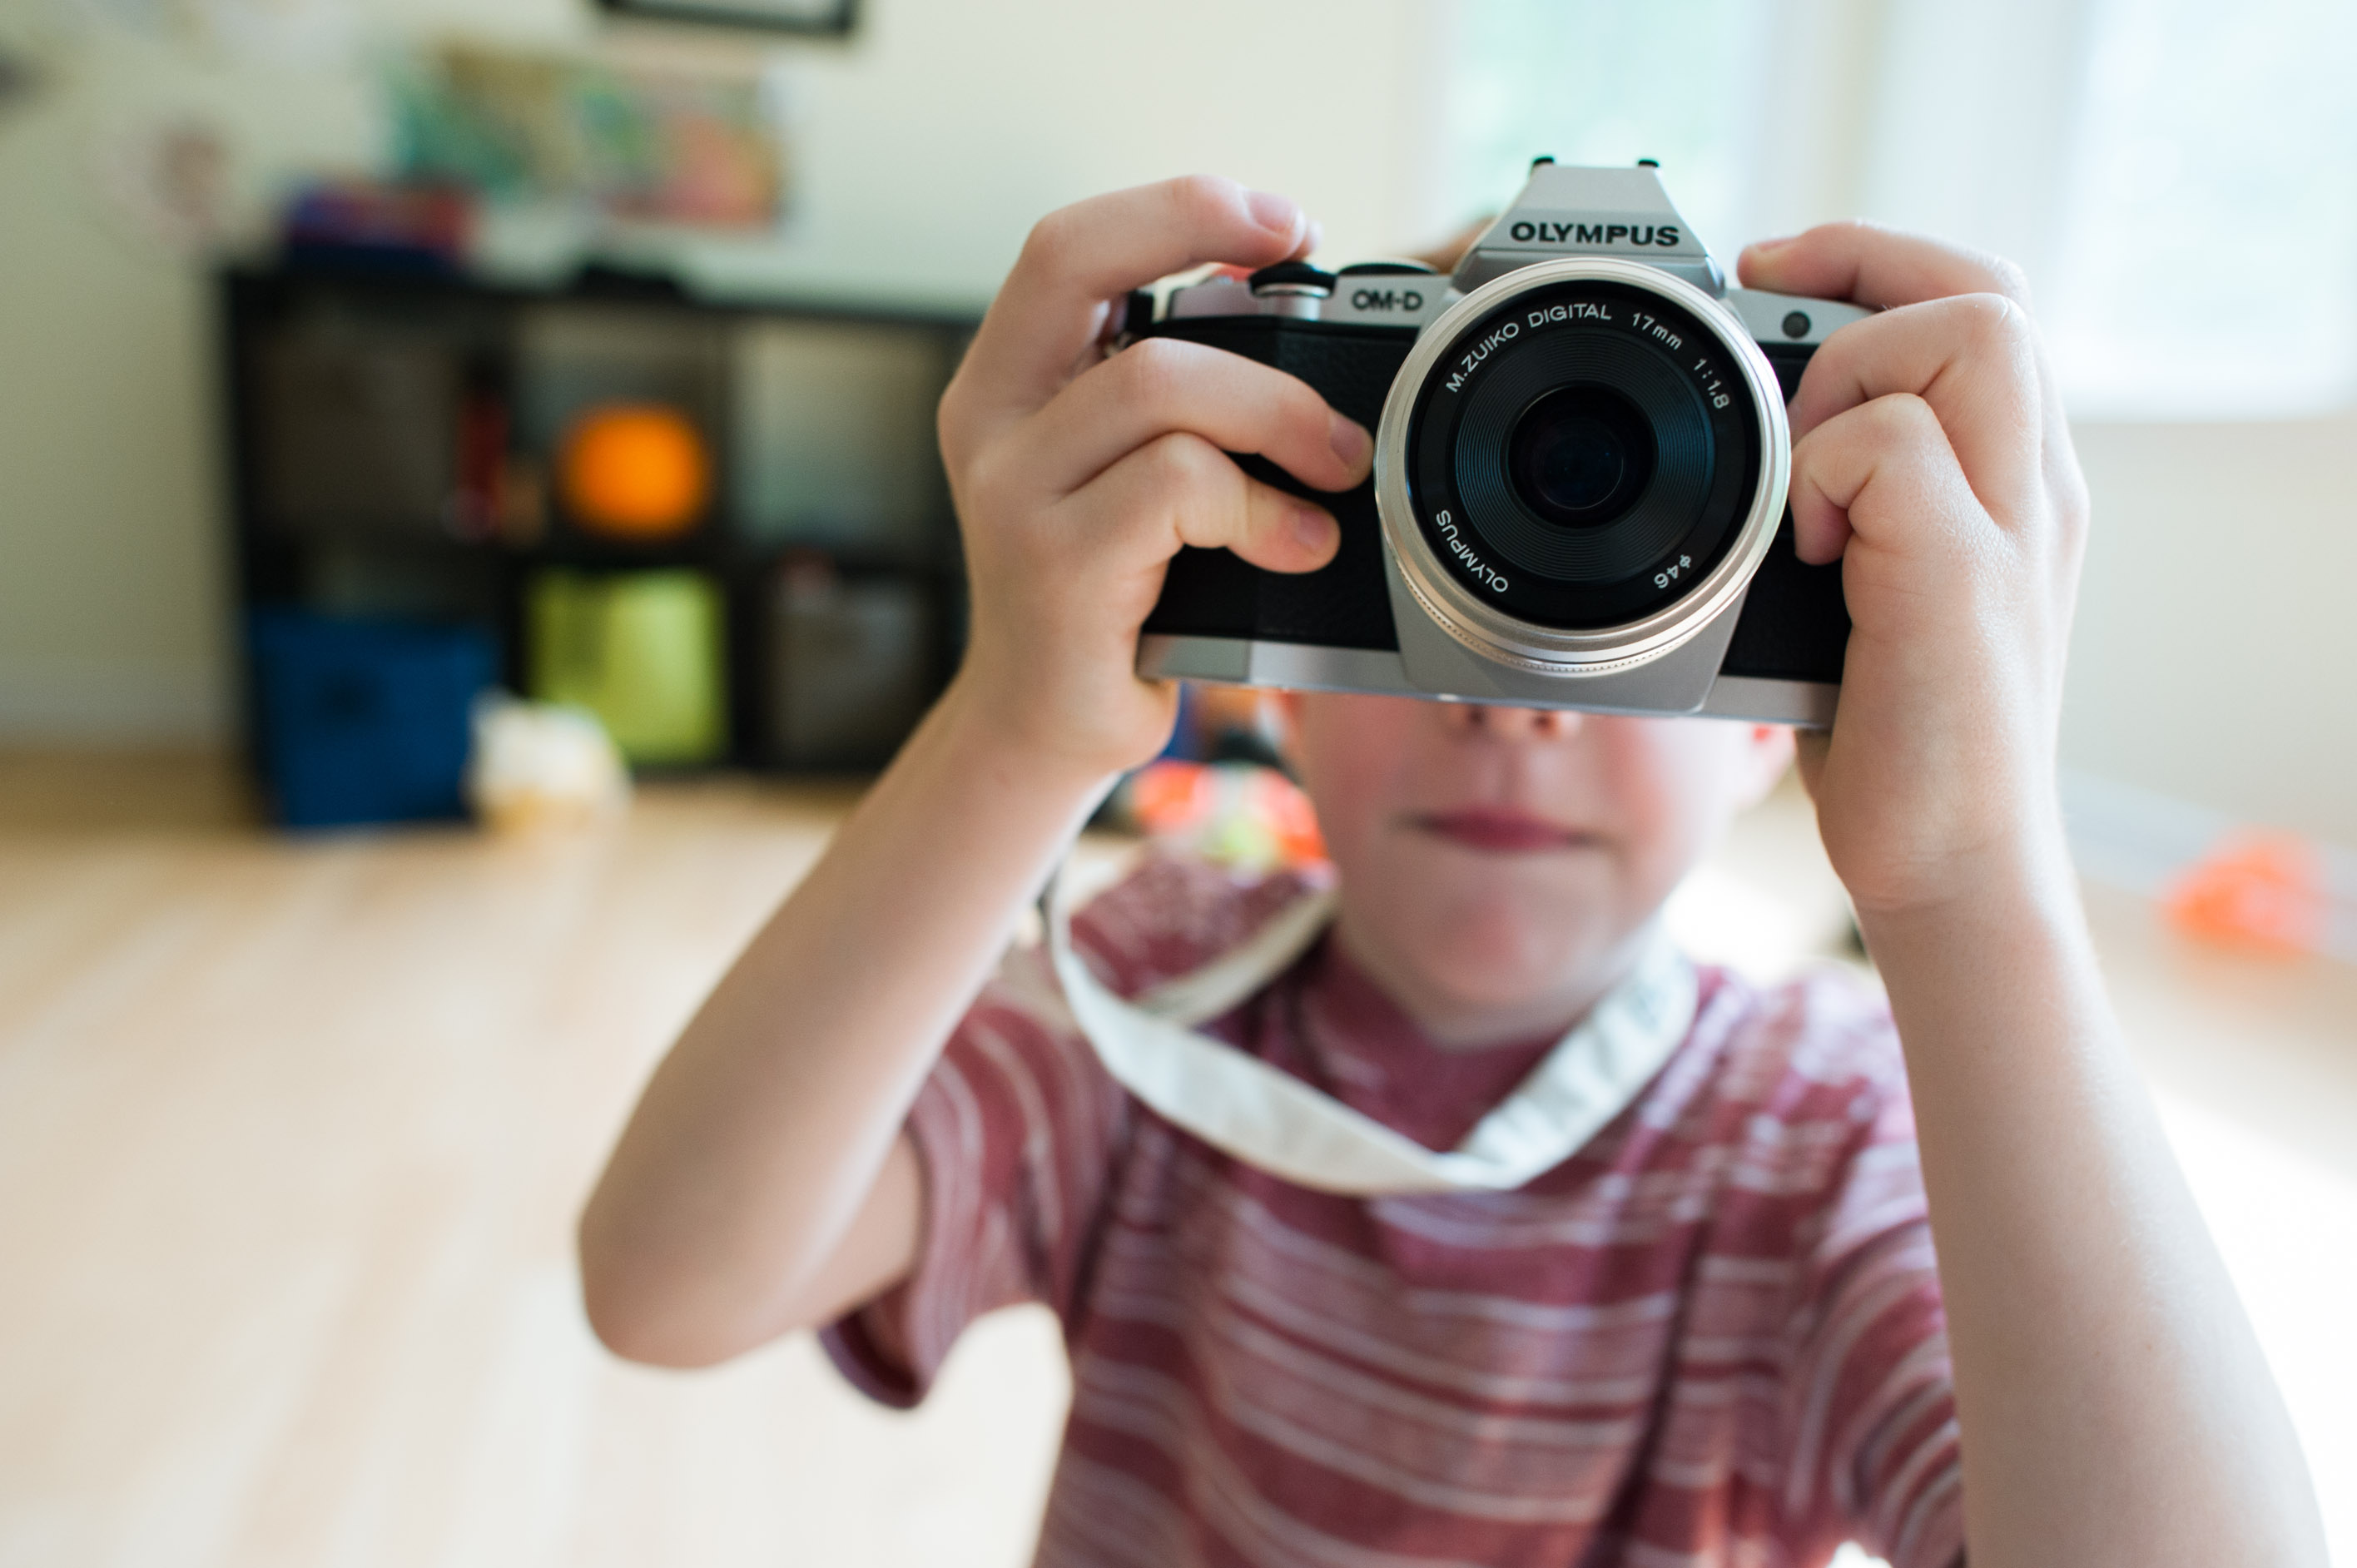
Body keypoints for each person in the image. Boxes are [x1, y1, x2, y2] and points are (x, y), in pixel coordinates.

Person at [576, 176, 2326, 1566]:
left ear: (1768, 711)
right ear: (1282, 660)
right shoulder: (1167, 978)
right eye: (1446, 614)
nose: (1520, 717)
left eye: (1632, 626)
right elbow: (672, 1281)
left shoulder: (1824, 1133)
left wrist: (1970, 884)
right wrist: (1018, 729)